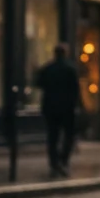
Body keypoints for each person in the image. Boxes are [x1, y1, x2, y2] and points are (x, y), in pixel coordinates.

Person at [36, 44, 82, 177]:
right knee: (69, 136)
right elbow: (76, 90)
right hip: (67, 109)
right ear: (66, 53)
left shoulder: (48, 68)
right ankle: (63, 160)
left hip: (50, 108)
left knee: (52, 137)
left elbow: (38, 83)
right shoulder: (71, 69)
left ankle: (54, 163)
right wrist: (77, 106)